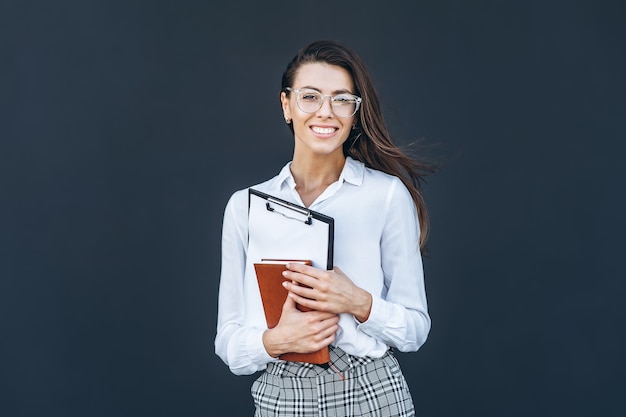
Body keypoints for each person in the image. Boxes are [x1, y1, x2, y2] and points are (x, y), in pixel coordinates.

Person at [215, 39, 434, 416]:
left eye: (342, 99)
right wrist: (275, 340)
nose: (326, 112)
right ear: (286, 105)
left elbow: (415, 329)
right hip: (282, 394)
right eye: (311, 97)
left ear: (355, 112)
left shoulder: (386, 196)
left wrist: (359, 303)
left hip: (370, 390)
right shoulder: (245, 207)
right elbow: (229, 343)